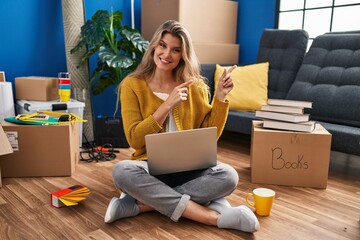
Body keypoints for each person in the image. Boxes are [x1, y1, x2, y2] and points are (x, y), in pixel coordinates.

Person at [104, 20, 260, 233]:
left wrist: (221, 97)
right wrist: (167, 104)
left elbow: (210, 134)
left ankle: (142, 206)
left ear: (183, 55)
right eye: (162, 45)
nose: (167, 54)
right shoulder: (133, 85)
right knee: (122, 171)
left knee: (229, 175)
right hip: (149, 168)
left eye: (176, 50)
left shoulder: (195, 86)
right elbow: (134, 140)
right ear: (153, 47)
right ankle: (210, 216)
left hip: (191, 169)